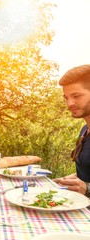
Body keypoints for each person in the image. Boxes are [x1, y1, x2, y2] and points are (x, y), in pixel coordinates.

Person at [53, 64, 90, 198]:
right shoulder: (84, 130)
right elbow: (85, 174)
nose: (69, 104)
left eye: (76, 96)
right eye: (66, 98)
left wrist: (87, 188)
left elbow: (86, 185)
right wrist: (64, 181)